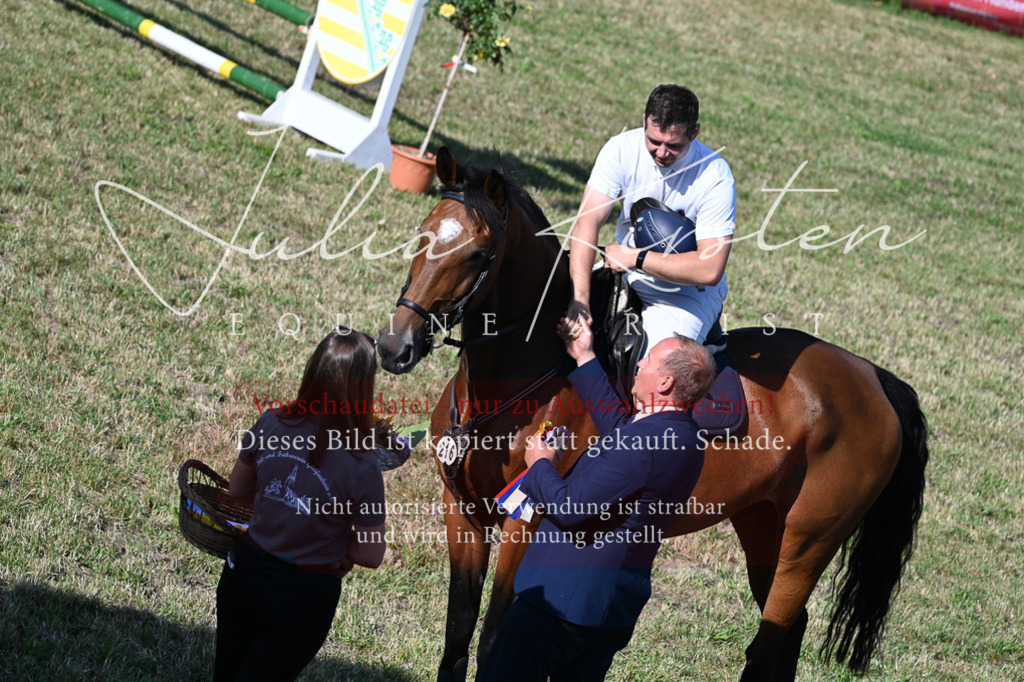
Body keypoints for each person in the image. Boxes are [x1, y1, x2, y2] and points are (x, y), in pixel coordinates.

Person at [479, 315, 716, 682]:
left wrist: (540, 462)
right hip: (606, 611)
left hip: (558, 606)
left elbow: (569, 508)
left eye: (648, 361)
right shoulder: (682, 436)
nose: (638, 363)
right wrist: (585, 357)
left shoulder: (644, 444)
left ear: (666, 382)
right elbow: (621, 431)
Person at [215, 327, 387, 682]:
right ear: (363, 387)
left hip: (243, 572)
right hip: (302, 596)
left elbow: (238, 491)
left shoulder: (270, 421)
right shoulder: (362, 464)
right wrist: (337, 540)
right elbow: (371, 555)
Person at [568, 84, 736, 351]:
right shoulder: (620, 149)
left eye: (674, 145)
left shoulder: (716, 176)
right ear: (644, 121)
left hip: (687, 293)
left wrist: (636, 258)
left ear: (694, 132)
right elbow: (587, 221)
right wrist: (580, 299)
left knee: (655, 371)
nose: (661, 153)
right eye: (654, 141)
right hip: (625, 270)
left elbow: (710, 268)